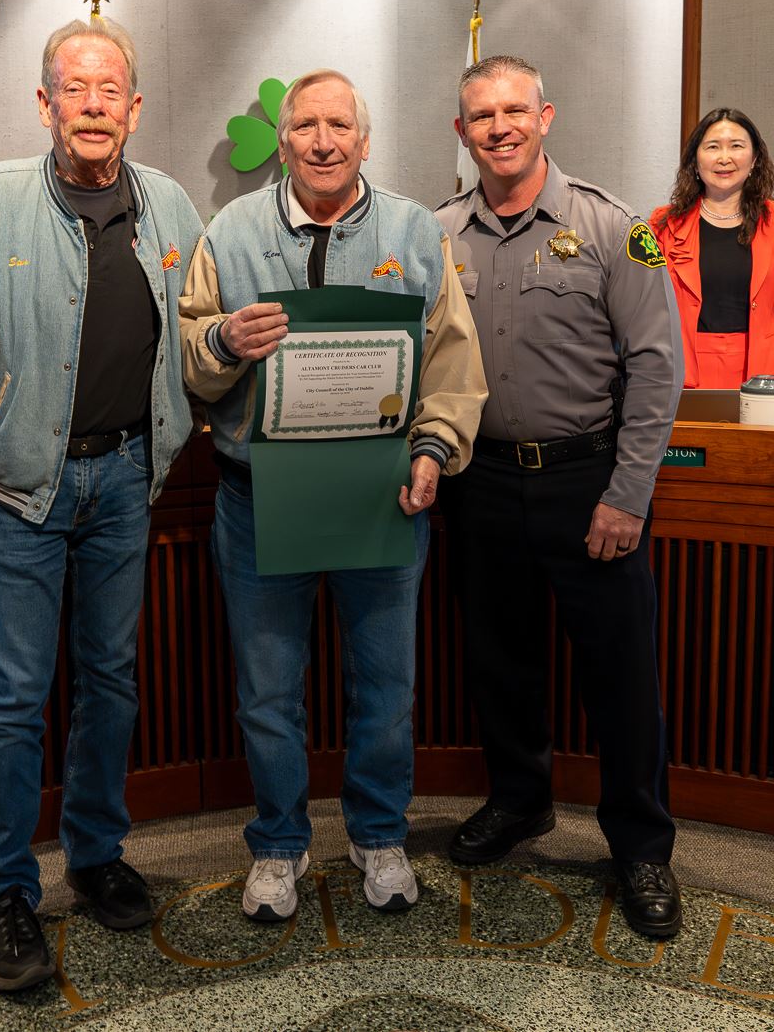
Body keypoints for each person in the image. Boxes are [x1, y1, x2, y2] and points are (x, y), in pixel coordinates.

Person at [0, 17, 204, 994]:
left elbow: (197, 337)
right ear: (44, 105)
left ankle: (98, 854)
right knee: (16, 696)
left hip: (123, 483)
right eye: (74, 88)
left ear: (135, 108)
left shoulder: (171, 208)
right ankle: (4, 892)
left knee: (110, 679)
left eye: (110, 89)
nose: (93, 105)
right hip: (19, 488)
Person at [179, 68, 486, 923]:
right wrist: (222, 338)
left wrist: (434, 448)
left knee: (386, 685)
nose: (322, 139)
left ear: (364, 138)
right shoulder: (232, 230)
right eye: (306, 124)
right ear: (284, 139)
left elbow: (453, 359)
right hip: (257, 495)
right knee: (268, 688)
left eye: (339, 125)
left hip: (381, 495)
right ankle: (279, 843)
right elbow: (187, 352)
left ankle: (378, 832)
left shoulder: (413, 231)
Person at [435, 55, 686, 940]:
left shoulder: (616, 226)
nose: (498, 126)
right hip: (482, 482)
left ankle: (642, 842)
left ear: (547, 114)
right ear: (459, 131)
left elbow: (659, 367)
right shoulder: (436, 235)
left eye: (513, 110)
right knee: (498, 659)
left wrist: (629, 495)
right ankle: (519, 801)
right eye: (480, 115)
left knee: (620, 676)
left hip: (590, 482)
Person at [649, 107, 774, 390]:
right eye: (713, 147)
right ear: (695, 161)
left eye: (736, 146)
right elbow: (648, 313)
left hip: (761, 375)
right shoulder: (663, 223)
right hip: (682, 372)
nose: (724, 158)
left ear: (755, 158)